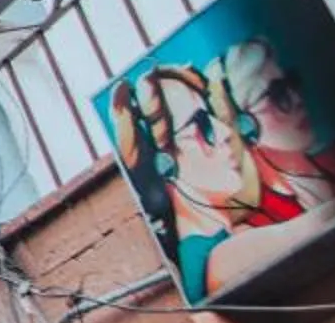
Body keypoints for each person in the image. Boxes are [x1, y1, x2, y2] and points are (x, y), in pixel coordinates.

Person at [113, 62, 318, 300]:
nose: (226, 132)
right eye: (202, 125)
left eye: (212, 117)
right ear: (165, 166)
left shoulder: (227, 235)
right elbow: (321, 224)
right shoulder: (217, 258)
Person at [224, 37, 335, 215]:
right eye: (277, 94)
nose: (297, 100)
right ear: (246, 127)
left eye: (290, 84)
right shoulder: (257, 216)